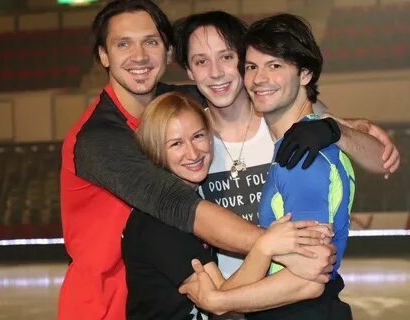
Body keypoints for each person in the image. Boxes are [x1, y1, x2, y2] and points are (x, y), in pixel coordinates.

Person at [59, 2, 336, 320]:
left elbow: (272, 93)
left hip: (174, 294)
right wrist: (282, 247)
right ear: (104, 56)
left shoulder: (178, 104)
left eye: (150, 42)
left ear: (167, 52)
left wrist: (334, 126)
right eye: (123, 44)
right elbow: (175, 203)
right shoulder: (97, 139)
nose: (139, 56)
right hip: (103, 308)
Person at [173, 11, 398, 319]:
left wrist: (219, 301)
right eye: (201, 61)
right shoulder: (189, 142)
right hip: (246, 300)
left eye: (227, 57)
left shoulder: (300, 145)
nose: (216, 72)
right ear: (188, 70)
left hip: (282, 305)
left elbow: (310, 275)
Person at [122, 92, 329, 320]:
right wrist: (264, 246)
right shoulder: (158, 221)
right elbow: (226, 305)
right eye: (176, 144)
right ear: (155, 151)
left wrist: (306, 284)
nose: (192, 153)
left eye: (198, 136)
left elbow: (223, 300)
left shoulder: (196, 202)